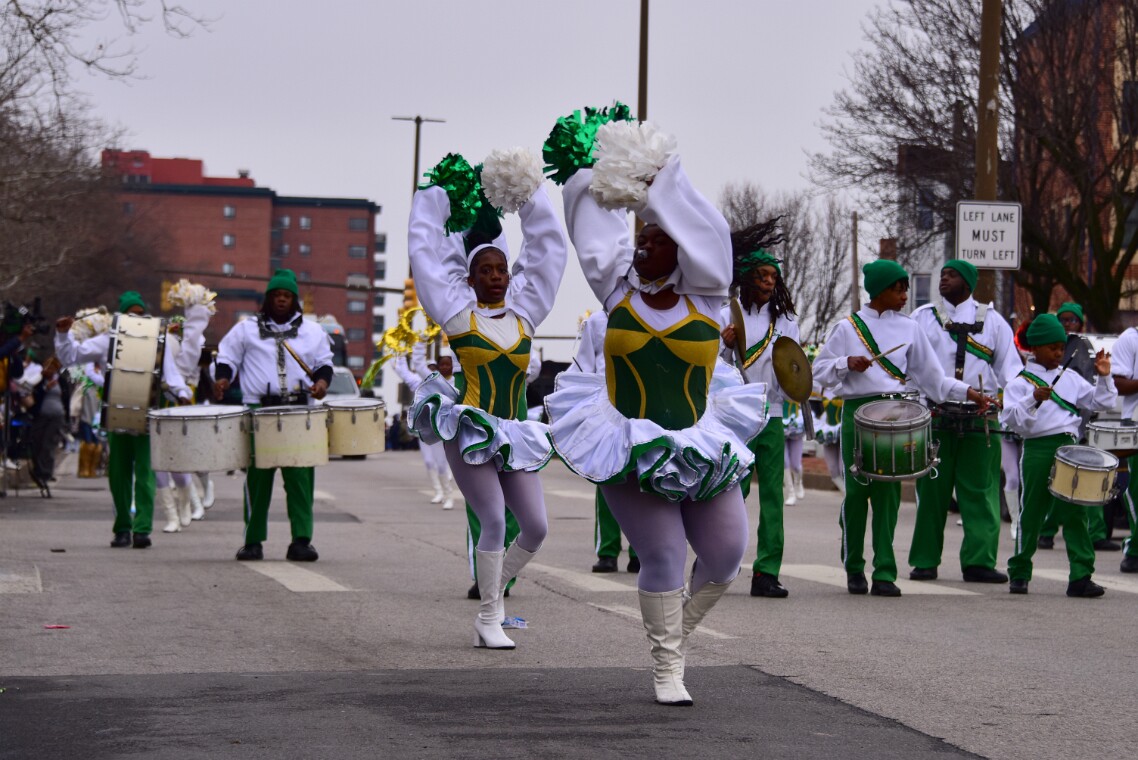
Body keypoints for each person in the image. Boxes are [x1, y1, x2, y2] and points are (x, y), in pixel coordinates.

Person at [546, 123, 768, 706]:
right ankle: (667, 663)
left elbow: (708, 230)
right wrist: (594, 167)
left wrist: (655, 177)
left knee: (724, 559)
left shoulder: (709, 297)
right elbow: (590, 227)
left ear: (683, 250)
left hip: (699, 443)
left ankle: (676, 634)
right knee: (665, 555)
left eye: (656, 241)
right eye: (640, 241)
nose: (643, 249)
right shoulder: (616, 296)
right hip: (628, 445)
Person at [406, 152, 566, 650]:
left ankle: (493, 597)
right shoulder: (455, 314)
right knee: (493, 519)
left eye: (502, 269)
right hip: (471, 427)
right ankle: (490, 616)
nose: (497, 276)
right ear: (471, 278)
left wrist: (528, 193)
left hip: (515, 431)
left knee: (535, 528)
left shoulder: (525, 315)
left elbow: (548, 250)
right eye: (487, 270)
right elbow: (424, 254)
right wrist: (438, 197)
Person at [813, 260, 993, 597]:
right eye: (899, 289)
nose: (905, 295)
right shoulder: (847, 328)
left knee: (888, 494)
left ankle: (884, 571)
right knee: (856, 494)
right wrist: (845, 362)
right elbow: (818, 371)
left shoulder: (910, 329)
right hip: (857, 412)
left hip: (896, 413)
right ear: (880, 290)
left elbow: (934, 379)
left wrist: (968, 393)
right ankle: (854, 565)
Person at [906, 259, 1022, 584]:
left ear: (968, 283)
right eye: (942, 274)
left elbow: (1010, 369)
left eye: (952, 275)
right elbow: (909, 366)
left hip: (980, 420)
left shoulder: (994, 322)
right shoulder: (922, 318)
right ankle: (925, 561)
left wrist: (1011, 398)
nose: (944, 279)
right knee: (931, 492)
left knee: (981, 492)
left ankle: (978, 563)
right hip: (935, 416)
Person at [54, 291, 193, 548]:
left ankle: (142, 529)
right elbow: (71, 356)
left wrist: (182, 394)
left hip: (147, 417)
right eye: (132, 314)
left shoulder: (157, 339)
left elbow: (172, 376)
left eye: (141, 314)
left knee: (145, 475)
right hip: (117, 416)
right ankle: (122, 529)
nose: (137, 319)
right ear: (122, 316)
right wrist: (63, 335)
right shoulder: (108, 339)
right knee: (118, 476)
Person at [214, 269, 333, 562]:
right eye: (277, 296)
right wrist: (223, 378)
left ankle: (301, 541)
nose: (281, 300)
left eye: (287, 296)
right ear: (267, 299)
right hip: (260, 411)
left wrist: (321, 384)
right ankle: (252, 541)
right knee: (257, 479)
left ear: (295, 301)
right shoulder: (245, 330)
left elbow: (324, 365)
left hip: (298, 411)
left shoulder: (313, 332)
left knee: (300, 479)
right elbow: (226, 357)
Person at [999, 313, 1117, 597]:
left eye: (1061, 348)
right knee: (1033, 511)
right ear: (1035, 348)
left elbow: (1102, 401)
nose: (1058, 353)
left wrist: (1104, 376)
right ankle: (1019, 572)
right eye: (1052, 348)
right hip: (1038, 448)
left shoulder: (1072, 378)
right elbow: (1011, 420)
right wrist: (1032, 398)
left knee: (1076, 512)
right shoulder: (1019, 383)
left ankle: (1080, 576)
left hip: (1069, 448)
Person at [719, 240, 799, 599]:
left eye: (773, 276)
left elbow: (794, 366)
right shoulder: (726, 315)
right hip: (736, 417)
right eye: (762, 275)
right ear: (747, 278)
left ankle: (767, 571)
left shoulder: (786, 319)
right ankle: (722, 558)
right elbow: (712, 367)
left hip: (774, 414)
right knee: (734, 492)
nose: (768, 281)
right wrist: (723, 344)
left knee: (772, 496)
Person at [1037, 302, 1118, 551]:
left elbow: (1088, 392)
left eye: (1072, 320)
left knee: (1084, 483)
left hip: (1079, 424)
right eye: (1064, 319)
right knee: (1062, 483)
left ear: (1080, 323)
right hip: (1054, 427)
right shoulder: (1054, 350)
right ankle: (1047, 531)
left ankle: (1093, 533)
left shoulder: (1081, 347)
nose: (1067, 324)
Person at [571, 310, 639, 574]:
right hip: (606, 408)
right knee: (606, 478)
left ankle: (639, 551)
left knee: (639, 478)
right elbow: (584, 364)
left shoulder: (643, 312)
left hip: (639, 407)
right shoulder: (596, 321)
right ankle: (608, 551)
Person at [392, 342, 456, 510]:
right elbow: (407, 369)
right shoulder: (425, 381)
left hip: (443, 429)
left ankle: (449, 495)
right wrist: (401, 350)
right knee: (429, 462)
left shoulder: (458, 380)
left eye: (446, 364)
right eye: (440, 364)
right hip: (425, 428)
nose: (442, 368)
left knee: (442, 464)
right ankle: (438, 491)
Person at [1108, 323, 1138, 573]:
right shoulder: (1130, 339)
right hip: (1137, 423)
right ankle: (1135, 550)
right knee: (1137, 490)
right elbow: (1117, 383)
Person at [27, 356, 71, 492]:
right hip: (40, 416)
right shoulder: (40, 380)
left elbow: (66, 400)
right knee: (37, 443)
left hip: (57, 417)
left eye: (53, 367)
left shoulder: (61, 382)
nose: (50, 370)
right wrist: (45, 388)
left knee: (49, 444)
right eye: (48, 367)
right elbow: (33, 395)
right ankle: (37, 472)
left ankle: (45, 474)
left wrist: (67, 420)